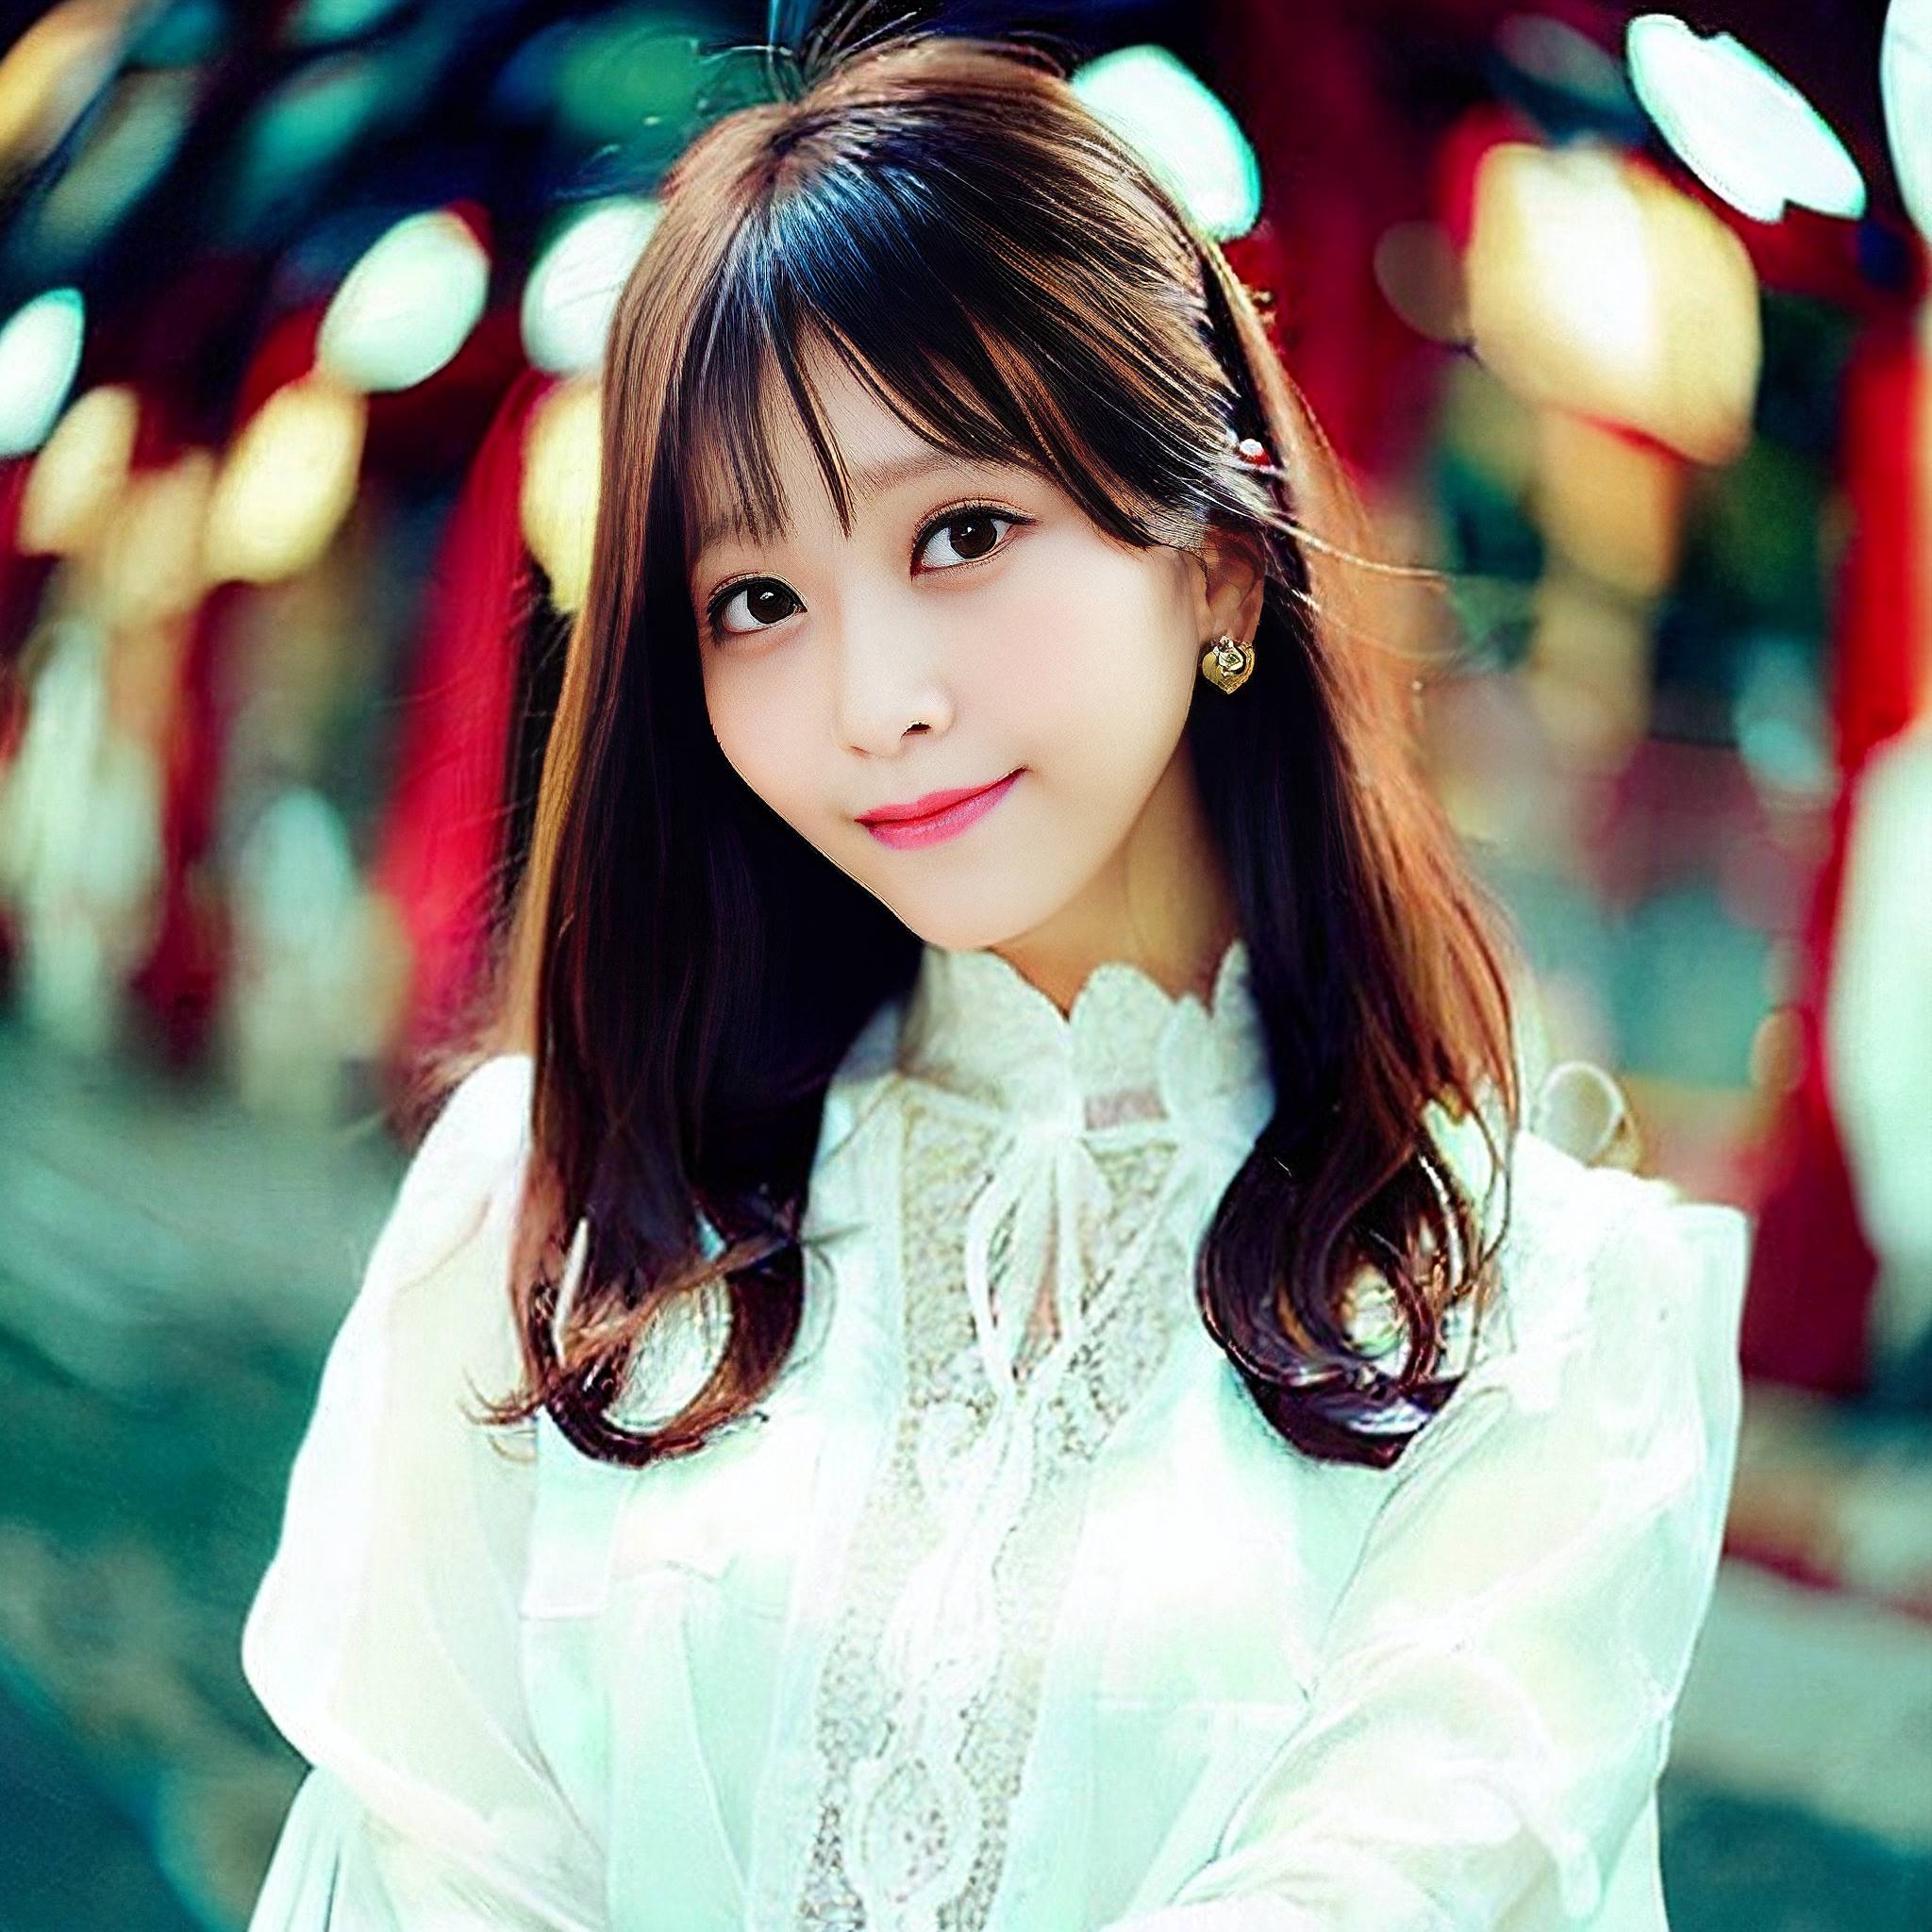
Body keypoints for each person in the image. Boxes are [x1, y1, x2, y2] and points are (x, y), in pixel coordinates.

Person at [239, 21, 1749, 1930]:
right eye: (756, 600)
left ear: (1211, 558)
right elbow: (433, 1870)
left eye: (962, 533)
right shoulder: (540, 1211)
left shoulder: (1540, 1318)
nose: (877, 703)